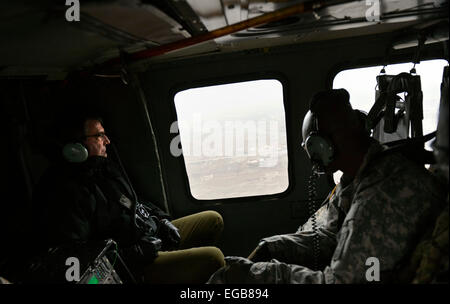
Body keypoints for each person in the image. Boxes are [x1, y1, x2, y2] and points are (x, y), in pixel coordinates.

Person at [207, 88, 446, 284]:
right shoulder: (368, 173)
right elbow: (335, 235)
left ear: (320, 147)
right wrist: (276, 246)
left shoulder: (378, 198)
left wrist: (258, 274)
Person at [31, 114, 225, 284]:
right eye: (99, 135)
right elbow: (76, 259)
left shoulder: (104, 169)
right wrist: (136, 254)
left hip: (148, 236)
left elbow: (135, 201)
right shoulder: (65, 192)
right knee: (213, 258)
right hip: (131, 266)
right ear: (75, 145)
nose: (107, 140)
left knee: (212, 219)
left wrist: (162, 219)